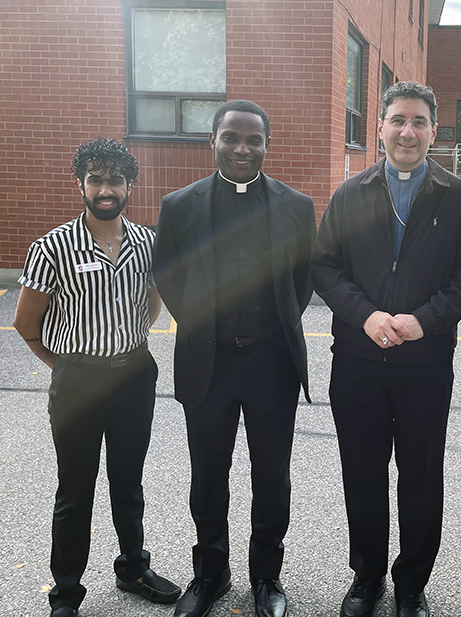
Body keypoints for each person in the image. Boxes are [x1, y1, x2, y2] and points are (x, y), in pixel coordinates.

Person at [310, 81, 461, 617]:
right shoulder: (350, 193)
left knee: (421, 474)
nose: (407, 131)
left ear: (434, 131)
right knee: (361, 472)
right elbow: (324, 267)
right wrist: (365, 315)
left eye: (418, 122)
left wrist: (423, 321)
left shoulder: (456, 196)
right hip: (359, 362)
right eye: (397, 120)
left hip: (424, 365)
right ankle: (366, 578)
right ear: (380, 126)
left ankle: (412, 583)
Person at [152, 100, 316, 617]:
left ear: (267, 145)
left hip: (272, 364)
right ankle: (211, 574)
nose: (242, 148)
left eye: (253, 140)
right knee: (207, 475)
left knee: (272, 476)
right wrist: (204, 325)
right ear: (213, 141)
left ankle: (267, 577)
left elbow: (302, 282)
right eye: (232, 138)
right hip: (209, 363)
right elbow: (169, 275)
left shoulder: (296, 205)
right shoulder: (179, 205)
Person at [13, 138, 181, 617]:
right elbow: (27, 325)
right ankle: (66, 592)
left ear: (130, 184)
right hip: (78, 382)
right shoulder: (52, 247)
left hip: (133, 375)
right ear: (81, 183)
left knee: (128, 484)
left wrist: (124, 342)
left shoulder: (148, 243)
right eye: (96, 179)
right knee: (75, 488)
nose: (106, 189)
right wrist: (67, 367)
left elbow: (152, 302)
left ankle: (132, 569)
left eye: (115, 180)